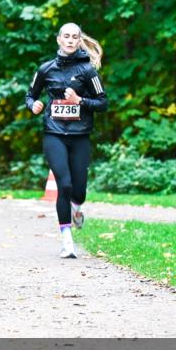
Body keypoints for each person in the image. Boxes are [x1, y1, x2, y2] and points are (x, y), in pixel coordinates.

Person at [24, 23, 107, 259]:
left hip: (80, 136)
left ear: (79, 41)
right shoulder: (45, 69)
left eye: (74, 37)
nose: (70, 40)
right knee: (65, 185)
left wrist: (80, 100)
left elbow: (103, 103)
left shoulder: (88, 71)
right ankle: (67, 240)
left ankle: (77, 209)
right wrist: (34, 105)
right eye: (66, 36)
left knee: (78, 191)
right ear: (59, 39)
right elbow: (30, 96)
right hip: (54, 133)